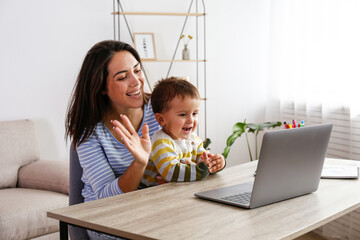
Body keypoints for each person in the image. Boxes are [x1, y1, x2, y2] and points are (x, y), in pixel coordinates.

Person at [65, 40, 225, 239]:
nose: (136, 81)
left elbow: (185, 153)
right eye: (123, 77)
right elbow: (107, 198)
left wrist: (199, 163)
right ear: (102, 88)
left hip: (160, 208)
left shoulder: (162, 110)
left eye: (137, 70)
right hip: (110, 221)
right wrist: (140, 163)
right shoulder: (90, 133)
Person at [140, 77, 226, 187]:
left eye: (194, 113)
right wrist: (200, 170)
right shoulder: (160, 141)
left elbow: (202, 160)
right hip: (150, 194)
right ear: (161, 119)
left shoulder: (193, 139)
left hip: (175, 190)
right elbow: (171, 171)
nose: (191, 120)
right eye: (183, 114)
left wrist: (215, 163)